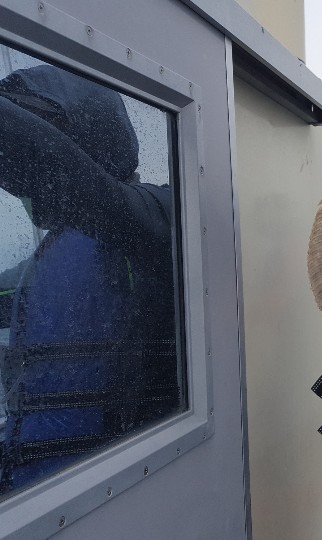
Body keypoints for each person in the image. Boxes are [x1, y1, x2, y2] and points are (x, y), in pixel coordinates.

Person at [0, 65, 180, 495]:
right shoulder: (49, 259)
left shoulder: (160, 217)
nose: (23, 194)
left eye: (27, 182)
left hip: (116, 487)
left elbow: (86, 189)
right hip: (33, 483)